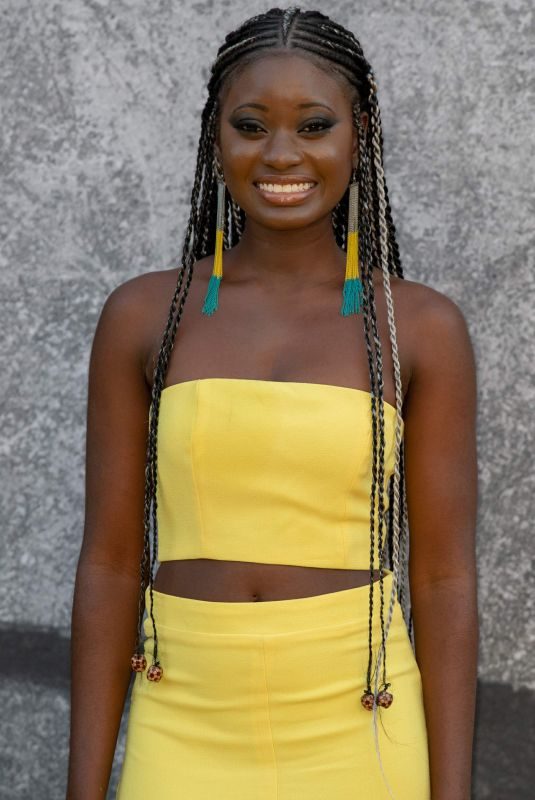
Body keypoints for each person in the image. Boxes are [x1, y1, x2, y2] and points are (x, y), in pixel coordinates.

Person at [67, 6, 479, 800]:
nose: (281, 152)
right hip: (182, 707)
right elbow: (112, 563)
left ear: (359, 135)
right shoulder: (144, 315)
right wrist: (84, 787)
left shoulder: (418, 327)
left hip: (359, 714)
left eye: (313, 124)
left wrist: (449, 792)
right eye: (250, 125)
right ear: (214, 138)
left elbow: (443, 579)